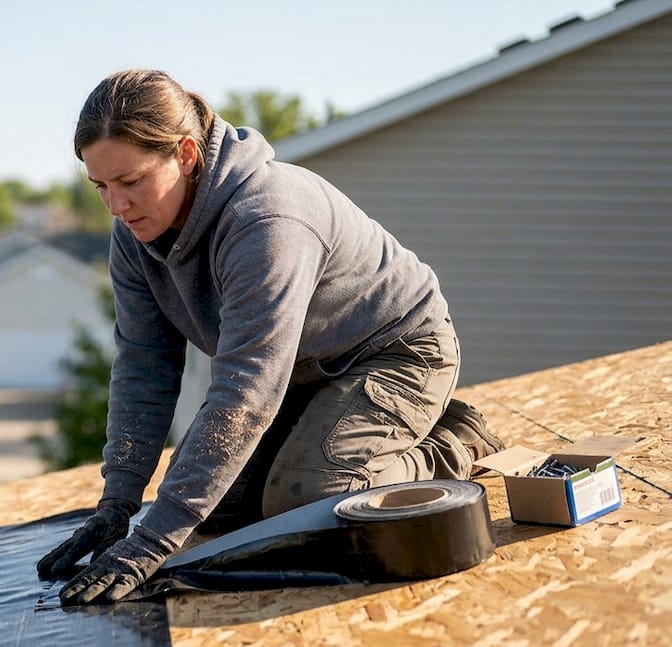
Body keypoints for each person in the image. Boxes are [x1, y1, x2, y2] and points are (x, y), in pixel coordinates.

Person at [36, 69, 505, 605]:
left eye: (131, 181)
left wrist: (150, 544)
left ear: (185, 154)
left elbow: (247, 391)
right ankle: (349, 435)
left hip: (395, 354)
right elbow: (144, 366)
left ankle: (454, 439)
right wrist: (117, 504)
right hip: (299, 373)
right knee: (215, 506)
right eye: (101, 186)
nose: (117, 206)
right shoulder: (135, 234)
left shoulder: (266, 219)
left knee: (313, 502)